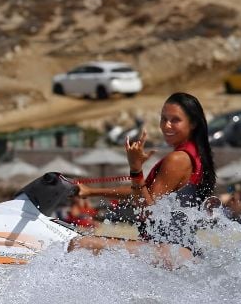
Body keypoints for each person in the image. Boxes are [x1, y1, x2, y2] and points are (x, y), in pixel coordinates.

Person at [68, 92, 216, 264]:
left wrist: (135, 168)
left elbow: (147, 210)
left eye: (175, 120)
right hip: (179, 251)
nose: (166, 125)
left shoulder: (178, 159)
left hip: (169, 251)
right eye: (163, 119)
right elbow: (144, 193)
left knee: (81, 243)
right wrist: (91, 192)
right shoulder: (195, 155)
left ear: (193, 123)